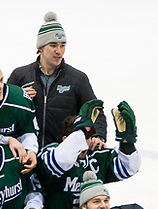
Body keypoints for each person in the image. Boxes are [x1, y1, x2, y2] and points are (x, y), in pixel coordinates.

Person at [7, 12, 107, 149]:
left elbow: (96, 112)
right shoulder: (20, 75)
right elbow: (1, 108)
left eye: (63, 45)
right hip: (27, 153)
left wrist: (98, 135)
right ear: (40, 47)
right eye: (53, 45)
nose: (59, 51)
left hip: (62, 156)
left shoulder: (78, 79)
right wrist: (18, 97)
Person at [37, 100, 141, 209]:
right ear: (65, 139)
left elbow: (128, 169)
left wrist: (127, 142)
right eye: (83, 138)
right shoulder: (51, 152)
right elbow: (62, 159)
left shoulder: (95, 156)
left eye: (88, 138)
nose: (86, 144)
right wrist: (81, 132)